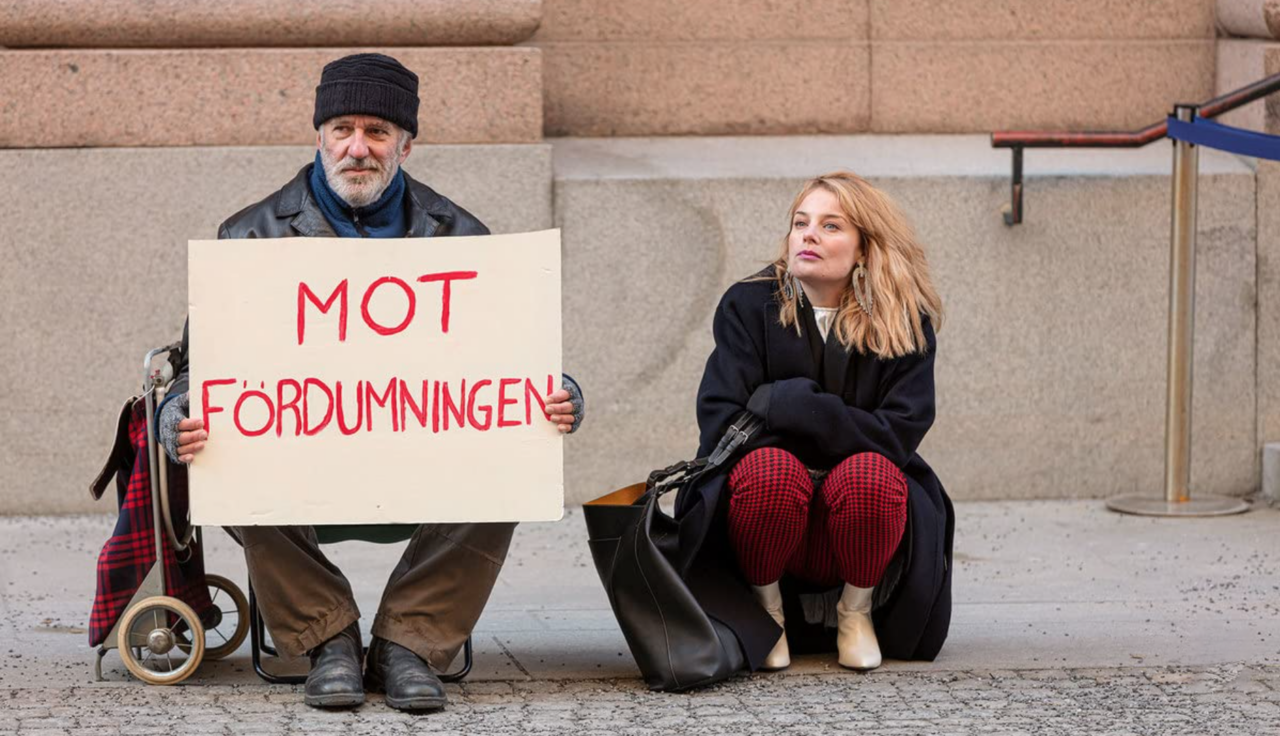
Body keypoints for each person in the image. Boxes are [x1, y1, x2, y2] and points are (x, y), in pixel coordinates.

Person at [157, 53, 584, 711]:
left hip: (424, 464)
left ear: (406, 145)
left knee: (515, 450)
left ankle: (408, 641)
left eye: (377, 132)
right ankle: (327, 637)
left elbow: (510, 367)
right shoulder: (248, 237)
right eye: (343, 130)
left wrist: (558, 395)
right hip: (298, 467)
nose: (358, 148)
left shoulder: (463, 238)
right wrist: (180, 413)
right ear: (319, 137)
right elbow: (200, 371)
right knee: (230, 451)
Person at [676, 171, 952, 673]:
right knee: (772, 472)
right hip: (765, 523)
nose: (808, 235)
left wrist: (787, 402)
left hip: (860, 531)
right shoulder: (748, 304)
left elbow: (897, 436)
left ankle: (855, 612)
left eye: (830, 226)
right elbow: (720, 421)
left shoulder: (904, 321)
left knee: (870, 475)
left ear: (864, 247)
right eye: (800, 223)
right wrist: (847, 430)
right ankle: (767, 613)